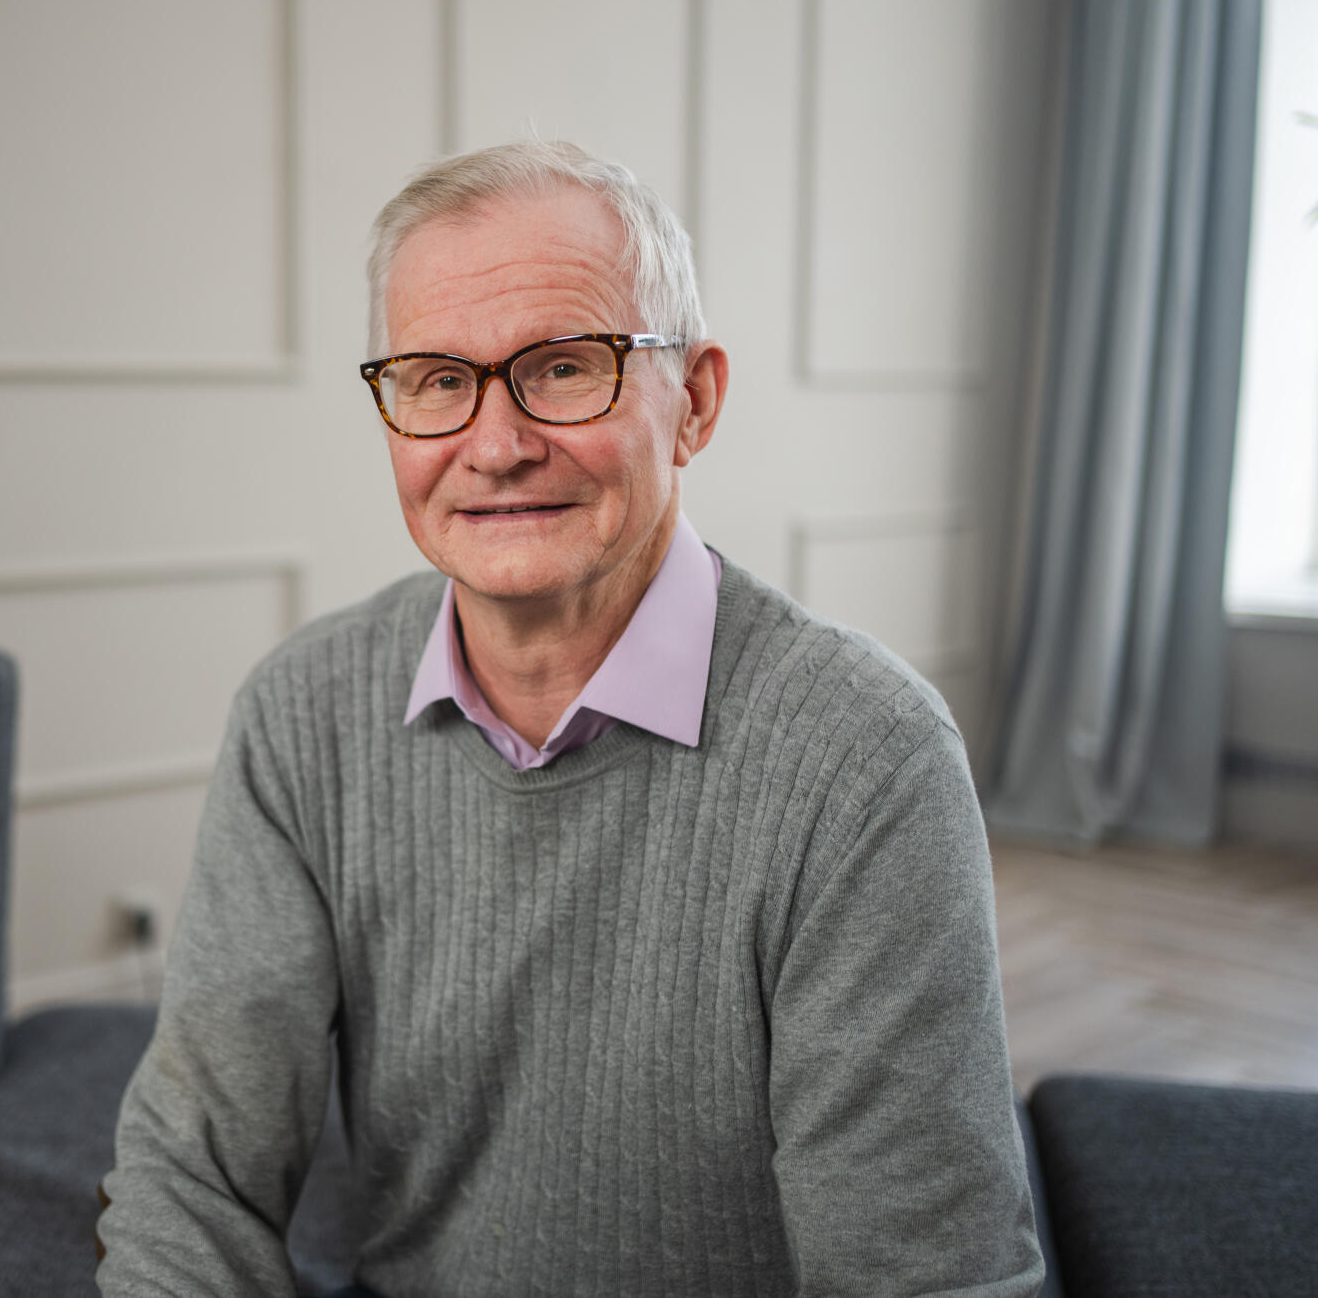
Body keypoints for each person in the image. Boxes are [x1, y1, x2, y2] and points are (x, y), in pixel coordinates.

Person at [95, 141, 1043, 1297]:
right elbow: (194, 1171)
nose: (493, 446)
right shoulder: (302, 711)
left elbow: (920, 1277)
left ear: (691, 402)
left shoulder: (865, 760)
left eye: (562, 366)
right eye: (436, 378)